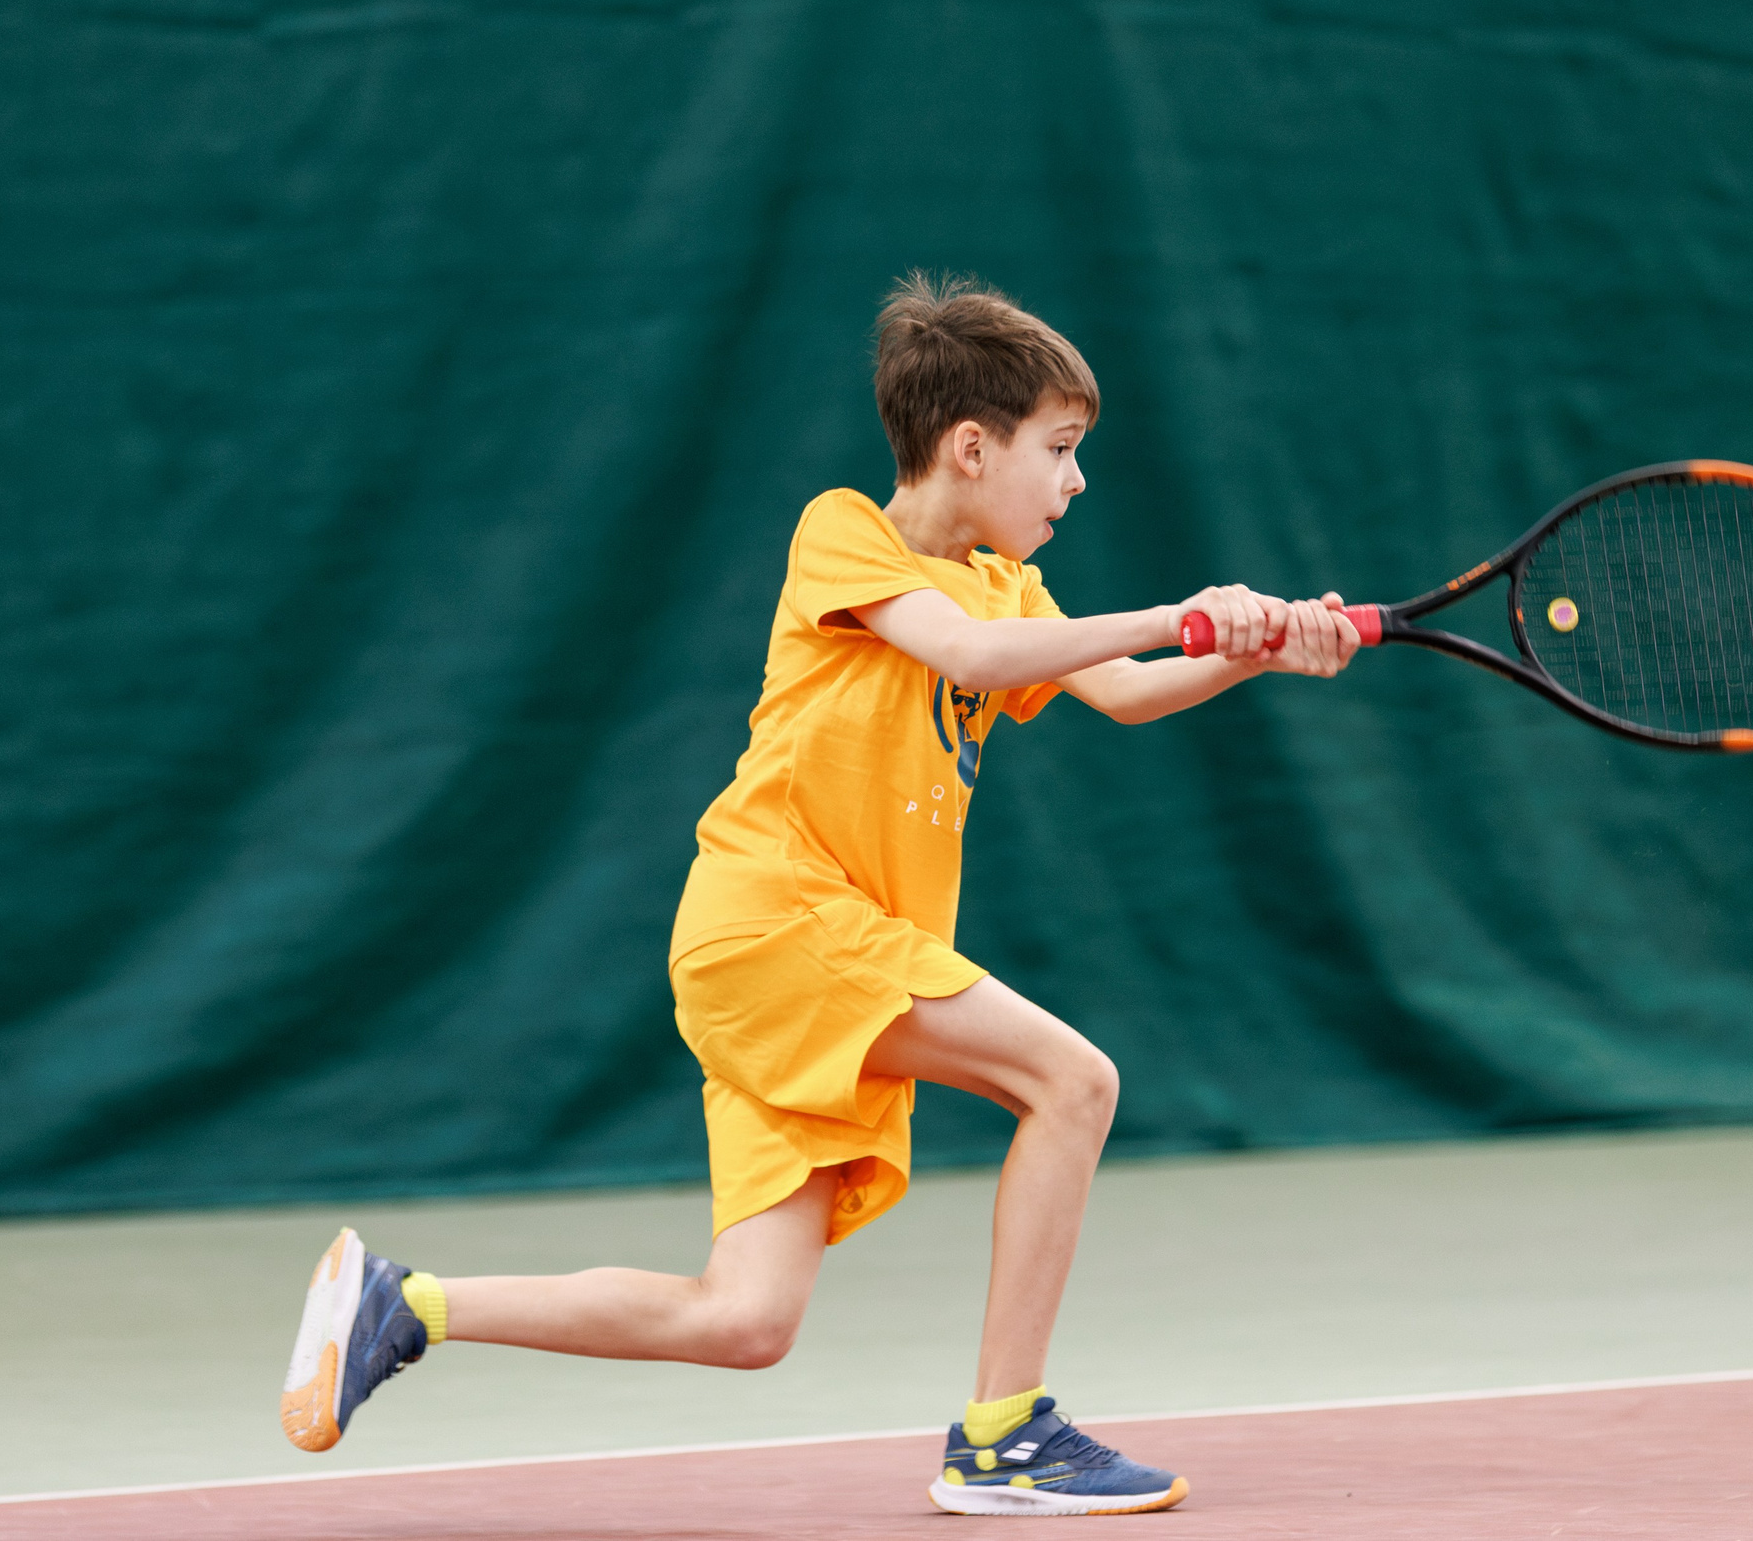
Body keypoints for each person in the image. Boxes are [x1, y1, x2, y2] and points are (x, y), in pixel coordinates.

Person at [278, 274, 1362, 1516]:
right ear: (971, 447)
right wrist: (1181, 613)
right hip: (780, 922)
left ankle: (403, 1304)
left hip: (792, 959)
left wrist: (1254, 651)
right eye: (1059, 449)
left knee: (744, 1319)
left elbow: (1119, 689)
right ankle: (1004, 1434)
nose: (1075, 482)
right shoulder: (843, 533)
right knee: (1073, 1082)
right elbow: (969, 653)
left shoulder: (1009, 585)